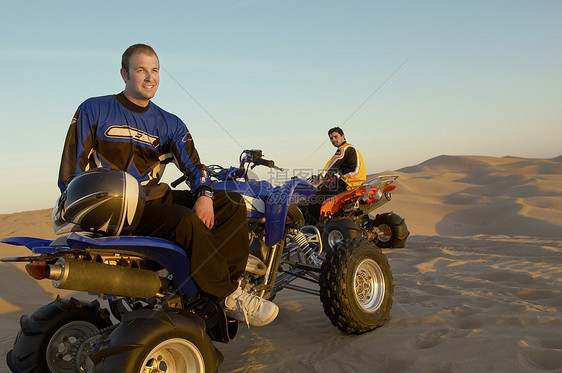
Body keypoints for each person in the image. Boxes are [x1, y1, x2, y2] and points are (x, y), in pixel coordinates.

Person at [57, 43, 278, 327]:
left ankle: (230, 290)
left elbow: (195, 167)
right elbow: (71, 171)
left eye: (155, 71)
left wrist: (205, 194)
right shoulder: (94, 109)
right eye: (141, 70)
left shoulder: (170, 123)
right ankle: (223, 294)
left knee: (232, 203)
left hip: (152, 200)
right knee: (185, 221)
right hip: (113, 207)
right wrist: (83, 211)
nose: (150, 78)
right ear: (124, 74)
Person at [308, 126, 366, 223]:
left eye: (336, 136)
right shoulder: (352, 149)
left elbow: (330, 168)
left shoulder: (343, 149)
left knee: (314, 198)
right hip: (358, 184)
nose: (333, 140)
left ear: (343, 136)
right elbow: (336, 170)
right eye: (331, 138)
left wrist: (315, 185)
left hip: (348, 183)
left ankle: (314, 226)